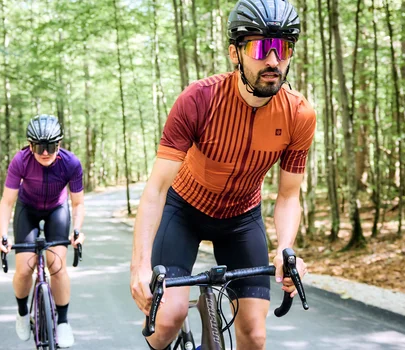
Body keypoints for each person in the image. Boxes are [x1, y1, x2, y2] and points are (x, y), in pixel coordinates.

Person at [129, 0, 314, 348]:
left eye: (283, 48)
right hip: (184, 211)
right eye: (261, 47)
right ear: (235, 52)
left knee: (255, 336)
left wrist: (285, 250)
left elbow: (289, 195)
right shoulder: (198, 100)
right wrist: (138, 267)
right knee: (167, 320)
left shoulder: (299, 114)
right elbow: (155, 190)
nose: (273, 60)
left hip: (242, 220)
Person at [0, 115, 85, 347]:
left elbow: (78, 204)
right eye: (38, 147)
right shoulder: (20, 161)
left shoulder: (71, 163)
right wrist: (3, 236)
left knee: (57, 266)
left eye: (50, 146)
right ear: (29, 145)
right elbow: (6, 202)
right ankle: (23, 312)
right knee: (25, 266)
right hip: (28, 210)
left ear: (59, 144)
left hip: (57, 209)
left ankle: (63, 322)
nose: (44, 153)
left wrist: (76, 231)